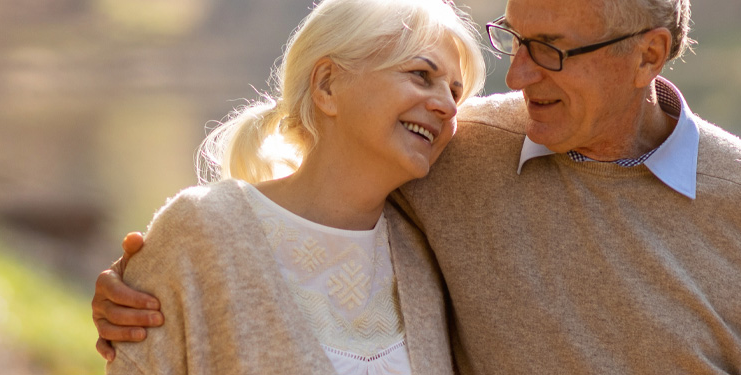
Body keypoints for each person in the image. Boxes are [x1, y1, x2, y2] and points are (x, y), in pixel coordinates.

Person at [93, 0, 741, 373]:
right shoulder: (456, 148)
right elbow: (308, 203)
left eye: (549, 51)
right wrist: (145, 286)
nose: (515, 79)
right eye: (514, 40)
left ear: (648, 54)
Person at [101, 0, 488, 373]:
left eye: (455, 92)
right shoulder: (199, 229)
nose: (449, 108)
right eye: (421, 75)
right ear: (327, 85)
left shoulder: (430, 256)